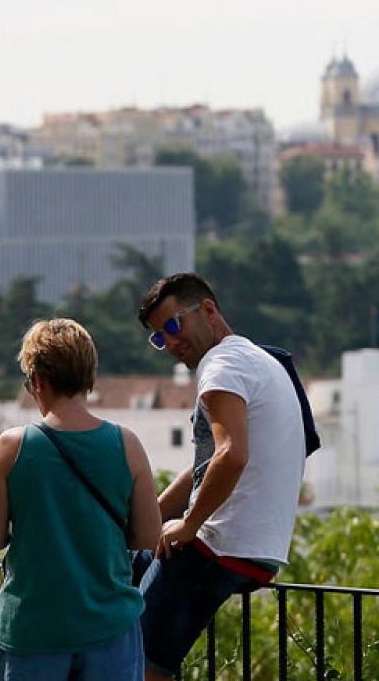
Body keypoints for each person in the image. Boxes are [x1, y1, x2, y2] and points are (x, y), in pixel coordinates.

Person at [135, 273, 306, 680]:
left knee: (136, 664)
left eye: (173, 326)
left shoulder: (221, 364)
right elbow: (208, 464)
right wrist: (155, 514)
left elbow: (232, 455)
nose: (171, 344)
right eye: (160, 338)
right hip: (259, 553)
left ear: (208, 310)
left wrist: (189, 525)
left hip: (217, 547)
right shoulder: (262, 360)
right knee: (126, 557)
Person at [0, 318, 161, 679]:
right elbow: (148, 537)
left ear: (38, 381)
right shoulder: (127, 444)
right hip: (109, 632)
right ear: (90, 380)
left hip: (32, 631)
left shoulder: (12, 447)